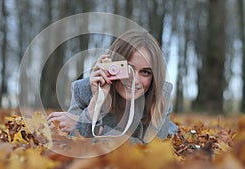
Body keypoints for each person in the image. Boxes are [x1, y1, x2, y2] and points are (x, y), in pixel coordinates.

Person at [48, 29, 178, 144]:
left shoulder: (160, 95)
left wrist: (85, 125)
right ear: (112, 64)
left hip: (167, 131)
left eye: (145, 72)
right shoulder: (83, 90)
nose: (134, 80)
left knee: (171, 131)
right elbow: (72, 142)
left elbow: (152, 148)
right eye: (128, 68)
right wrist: (96, 102)